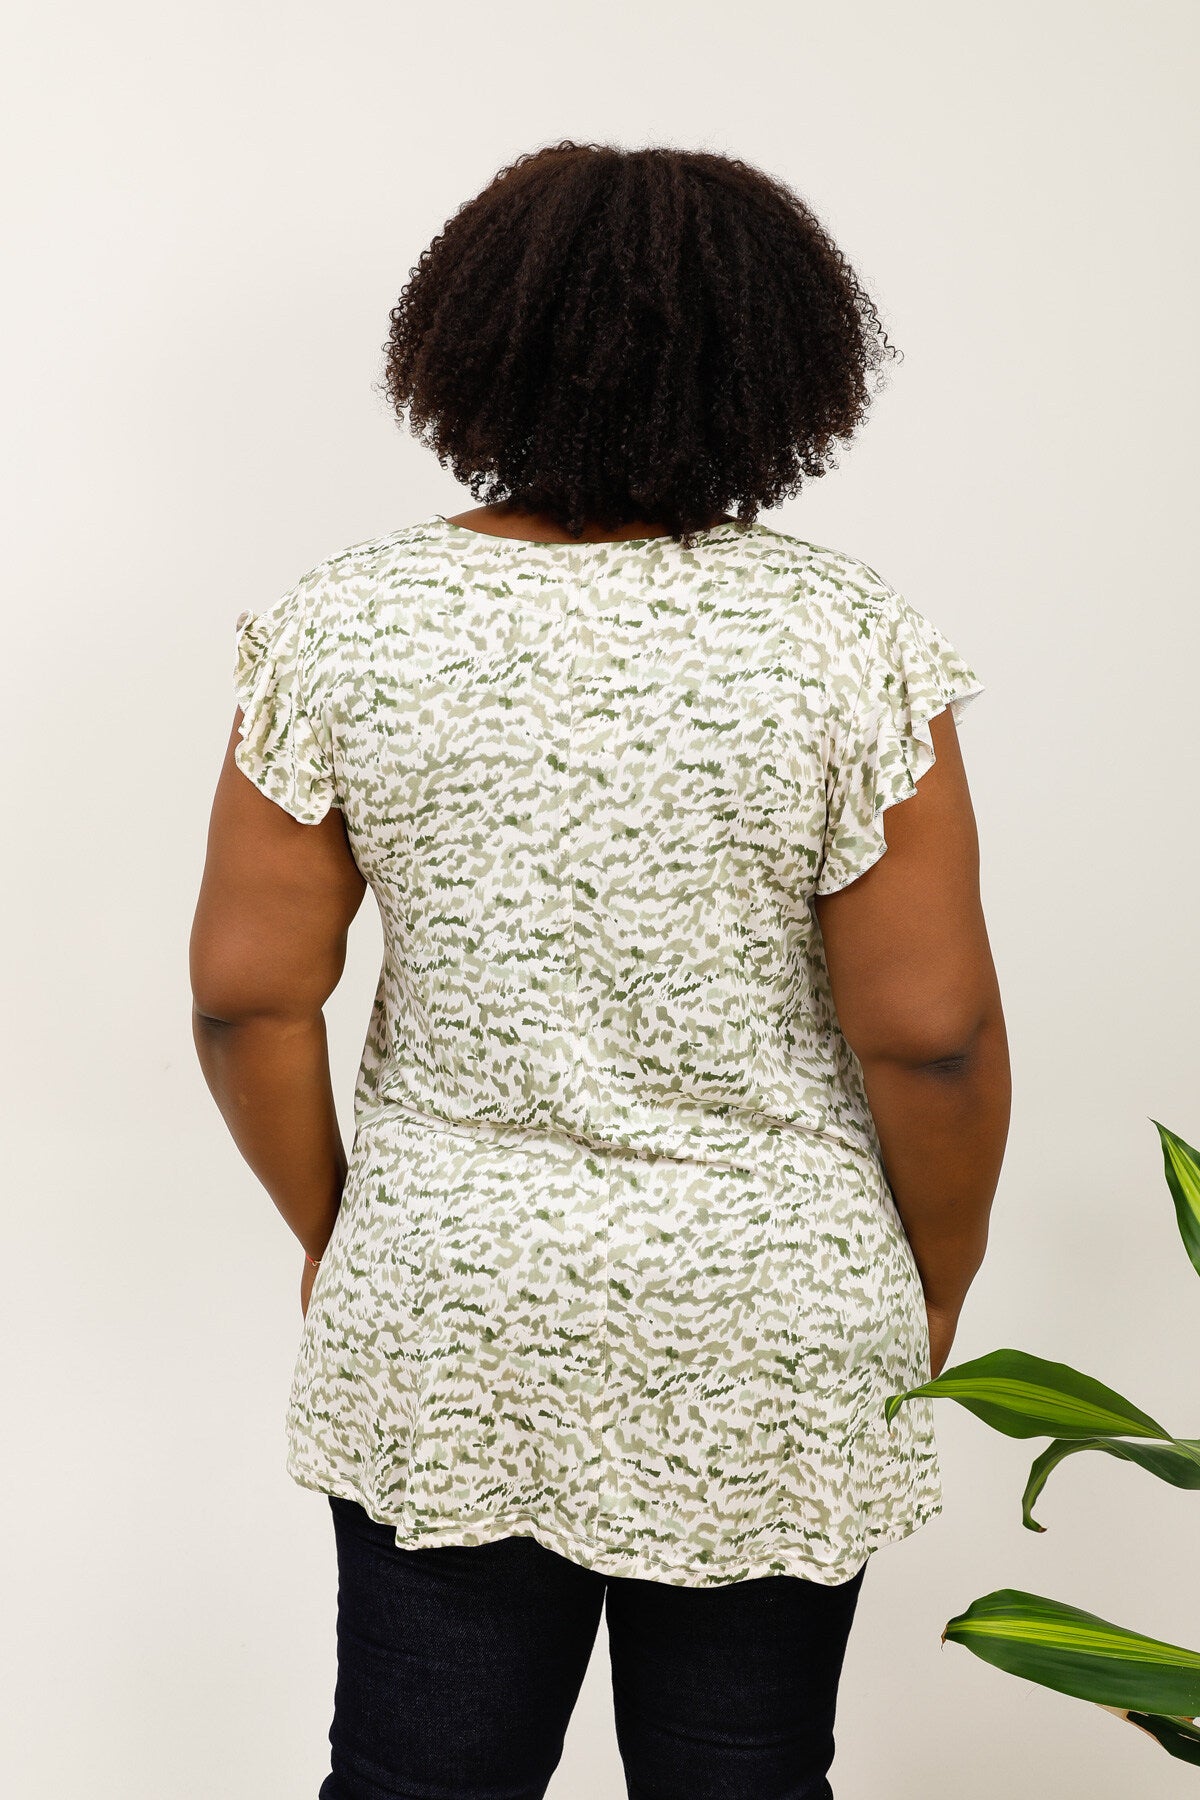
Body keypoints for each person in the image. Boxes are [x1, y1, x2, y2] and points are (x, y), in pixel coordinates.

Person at [190, 140, 1011, 1800]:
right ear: (780, 366)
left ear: (468, 347)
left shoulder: (348, 623)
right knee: (744, 1779)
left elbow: (246, 994)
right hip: (766, 1302)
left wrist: (348, 1231)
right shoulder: (844, 640)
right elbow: (931, 1035)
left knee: (422, 1778)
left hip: (453, 1297)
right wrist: (938, 1274)